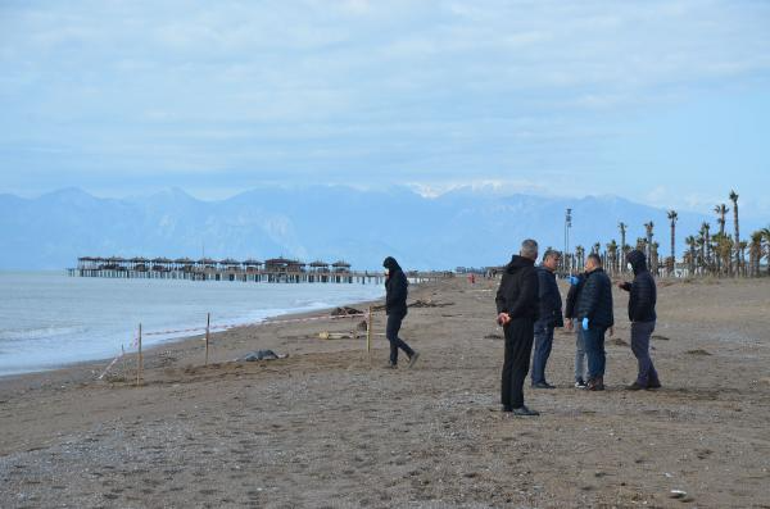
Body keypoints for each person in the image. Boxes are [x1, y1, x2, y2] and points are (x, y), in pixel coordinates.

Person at [495, 239, 540, 416]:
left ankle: (506, 402)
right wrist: (510, 314)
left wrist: (502, 313)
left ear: (521, 252)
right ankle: (517, 403)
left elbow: (500, 296)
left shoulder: (509, 269)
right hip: (521, 320)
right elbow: (526, 298)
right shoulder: (529, 271)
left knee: (510, 361)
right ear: (535, 255)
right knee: (519, 362)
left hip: (508, 321)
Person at [618, 249, 661, 390]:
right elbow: (639, 290)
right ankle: (653, 379)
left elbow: (643, 300)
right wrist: (626, 286)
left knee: (640, 351)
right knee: (641, 350)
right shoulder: (643, 276)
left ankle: (642, 381)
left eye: (629, 262)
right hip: (647, 319)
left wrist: (636, 317)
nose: (628, 264)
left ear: (635, 262)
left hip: (643, 320)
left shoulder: (642, 277)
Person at [575, 253, 614, 391]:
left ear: (592, 263)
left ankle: (594, 380)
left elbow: (592, 299)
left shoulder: (595, 279)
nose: (585, 266)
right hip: (601, 320)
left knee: (592, 351)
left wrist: (586, 317)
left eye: (586, 264)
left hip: (593, 321)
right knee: (598, 350)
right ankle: (598, 379)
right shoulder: (603, 277)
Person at [530, 249, 564, 389]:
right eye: (555, 260)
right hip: (544, 318)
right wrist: (553, 310)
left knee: (542, 348)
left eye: (558, 260)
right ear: (547, 260)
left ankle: (538, 378)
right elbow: (543, 297)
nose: (557, 263)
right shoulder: (543, 275)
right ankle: (538, 379)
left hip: (546, 317)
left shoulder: (546, 274)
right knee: (542, 349)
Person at [382, 256, 420, 369]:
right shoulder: (393, 275)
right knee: (393, 335)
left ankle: (411, 353)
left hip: (397, 309)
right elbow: (389, 289)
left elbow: (397, 294)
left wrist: (388, 303)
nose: (386, 270)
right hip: (394, 308)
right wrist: (387, 278)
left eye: (387, 268)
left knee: (390, 335)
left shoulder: (398, 275)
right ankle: (393, 362)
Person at [565, 270, 589, 388]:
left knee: (591, 349)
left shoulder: (598, 278)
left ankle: (591, 378)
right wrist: (568, 317)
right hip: (579, 317)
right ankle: (579, 378)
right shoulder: (579, 279)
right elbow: (570, 298)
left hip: (593, 319)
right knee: (581, 349)